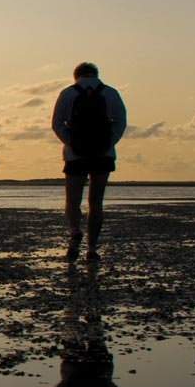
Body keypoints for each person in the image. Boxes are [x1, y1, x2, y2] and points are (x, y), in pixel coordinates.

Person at [51, 62, 127, 261]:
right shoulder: (110, 93)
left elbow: (57, 123)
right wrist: (109, 142)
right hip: (103, 155)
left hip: (75, 155)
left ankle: (75, 231)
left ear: (76, 76)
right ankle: (92, 249)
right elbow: (121, 121)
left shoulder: (68, 93)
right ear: (96, 74)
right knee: (96, 202)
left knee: (73, 200)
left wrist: (71, 142)